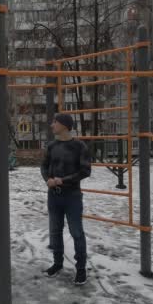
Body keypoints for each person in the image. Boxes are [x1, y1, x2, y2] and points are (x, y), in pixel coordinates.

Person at [40, 113, 91, 286]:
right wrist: (47, 179)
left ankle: (81, 269)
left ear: (64, 125)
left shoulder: (79, 146)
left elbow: (85, 171)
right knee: (55, 231)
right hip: (53, 196)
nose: (51, 125)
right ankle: (57, 263)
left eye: (54, 122)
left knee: (77, 232)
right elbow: (44, 166)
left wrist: (63, 180)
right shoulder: (52, 145)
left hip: (72, 197)